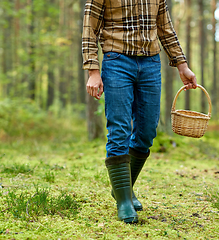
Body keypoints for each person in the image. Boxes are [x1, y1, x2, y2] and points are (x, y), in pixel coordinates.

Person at [82, 0, 197, 224]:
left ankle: (123, 188)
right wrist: (93, 70)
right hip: (117, 60)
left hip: (151, 64)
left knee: (146, 132)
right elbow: (89, 27)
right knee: (120, 129)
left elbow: (165, 27)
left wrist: (182, 65)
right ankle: (124, 201)